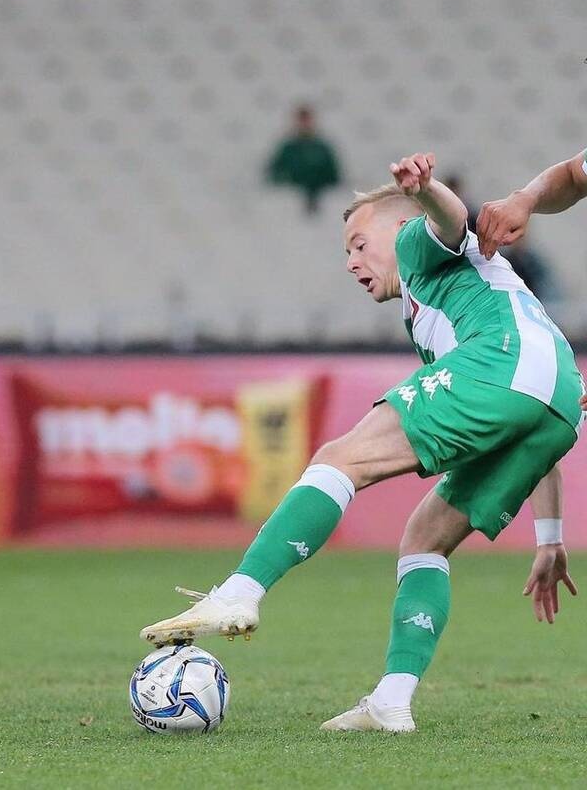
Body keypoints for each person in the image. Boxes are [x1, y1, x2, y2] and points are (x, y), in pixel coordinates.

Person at [140, 152, 582, 732]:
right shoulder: (454, 304)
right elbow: (532, 409)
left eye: (356, 243)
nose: (350, 261)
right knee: (425, 538)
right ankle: (391, 702)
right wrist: (549, 537)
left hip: (504, 364)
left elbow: (451, 221)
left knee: (339, 459)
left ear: (399, 230)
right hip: (559, 399)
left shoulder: (419, 250)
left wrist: (426, 190)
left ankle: (240, 591)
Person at [265, 104, 342, 216]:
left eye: (307, 120)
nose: (304, 124)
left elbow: (334, 175)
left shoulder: (322, 148)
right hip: (291, 201)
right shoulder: (288, 148)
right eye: (301, 120)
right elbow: (275, 172)